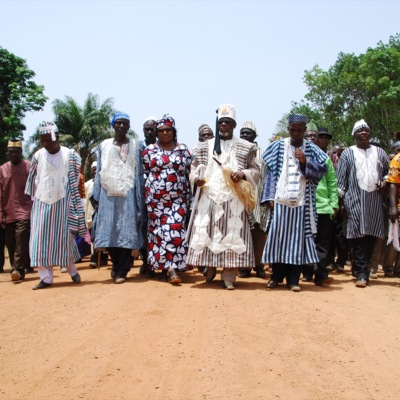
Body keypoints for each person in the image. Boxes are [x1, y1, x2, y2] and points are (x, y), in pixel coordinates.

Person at [186, 104, 259, 290]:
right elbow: (193, 169)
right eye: (221, 122)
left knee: (232, 236)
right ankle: (209, 268)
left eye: (228, 122)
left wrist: (242, 174)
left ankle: (228, 275)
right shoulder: (203, 147)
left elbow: (255, 171)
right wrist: (196, 179)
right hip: (209, 196)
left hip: (233, 199)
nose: (224, 125)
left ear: (234, 125)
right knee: (209, 233)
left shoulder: (245, 147)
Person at [262, 114, 327, 292]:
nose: (296, 133)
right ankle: (276, 277)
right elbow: (269, 174)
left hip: (302, 204)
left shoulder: (312, 149)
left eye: (299, 130)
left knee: (297, 242)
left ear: (304, 131)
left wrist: (305, 161)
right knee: (278, 239)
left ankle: (293, 280)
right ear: (288, 130)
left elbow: (321, 171)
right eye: (293, 130)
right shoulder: (278, 147)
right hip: (280, 201)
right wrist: (269, 197)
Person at [25, 122, 85, 290]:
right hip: (42, 202)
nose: (46, 144)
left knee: (64, 239)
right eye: (43, 140)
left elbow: (76, 180)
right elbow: (31, 182)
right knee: (39, 240)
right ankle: (46, 278)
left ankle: (72, 271)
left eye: (48, 140)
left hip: (64, 201)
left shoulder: (71, 155)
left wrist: (76, 203)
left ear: (57, 137)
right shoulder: (38, 156)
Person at [92, 112, 146, 284]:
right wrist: (96, 195)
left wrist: (141, 196)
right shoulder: (104, 146)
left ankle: (122, 269)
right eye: (119, 123)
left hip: (129, 194)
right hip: (108, 195)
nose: (122, 126)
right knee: (109, 232)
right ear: (113, 125)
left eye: (125, 124)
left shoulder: (137, 146)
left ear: (129, 127)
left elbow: (141, 172)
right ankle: (116, 266)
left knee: (126, 231)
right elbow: (99, 171)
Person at [336, 119, 389, 287]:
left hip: (374, 202)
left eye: (366, 129)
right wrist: (341, 203)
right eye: (360, 130)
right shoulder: (347, 153)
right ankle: (360, 274)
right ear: (354, 135)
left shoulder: (380, 152)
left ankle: (364, 270)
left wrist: (385, 182)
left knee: (372, 237)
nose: (364, 132)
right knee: (358, 239)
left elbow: (389, 174)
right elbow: (341, 181)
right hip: (355, 202)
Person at [142, 114, 192, 284]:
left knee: (175, 228)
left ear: (173, 131)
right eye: (161, 130)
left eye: (168, 130)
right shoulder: (149, 151)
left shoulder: (183, 149)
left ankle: (172, 267)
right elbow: (146, 173)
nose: (164, 133)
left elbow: (188, 172)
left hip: (178, 198)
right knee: (160, 233)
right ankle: (167, 267)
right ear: (156, 133)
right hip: (155, 201)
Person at [302, 127, 338, 286]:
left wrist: (334, 203)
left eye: (313, 136)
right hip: (303, 205)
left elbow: (332, 182)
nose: (311, 138)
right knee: (305, 240)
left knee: (322, 242)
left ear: (317, 139)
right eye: (308, 136)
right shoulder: (297, 155)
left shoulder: (324, 158)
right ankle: (307, 273)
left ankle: (320, 273)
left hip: (323, 206)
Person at [237, 121, 267, 279]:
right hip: (241, 199)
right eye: (242, 133)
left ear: (255, 136)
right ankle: (244, 267)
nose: (244, 136)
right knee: (242, 233)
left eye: (248, 133)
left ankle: (259, 265)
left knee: (259, 234)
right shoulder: (236, 151)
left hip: (259, 198)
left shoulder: (263, 153)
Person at [0, 139, 32, 281]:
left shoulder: (28, 167)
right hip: (8, 211)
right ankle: (17, 267)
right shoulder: (3, 169)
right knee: (10, 243)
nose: (13, 154)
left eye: (16, 152)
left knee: (21, 240)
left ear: (21, 152)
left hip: (25, 210)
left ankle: (18, 270)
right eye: (11, 152)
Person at [138, 116, 158, 276]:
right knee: (144, 229)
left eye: (152, 129)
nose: (150, 132)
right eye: (147, 129)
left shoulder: (162, 147)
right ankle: (146, 262)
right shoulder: (138, 147)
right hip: (141, 195)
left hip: (160, 197)